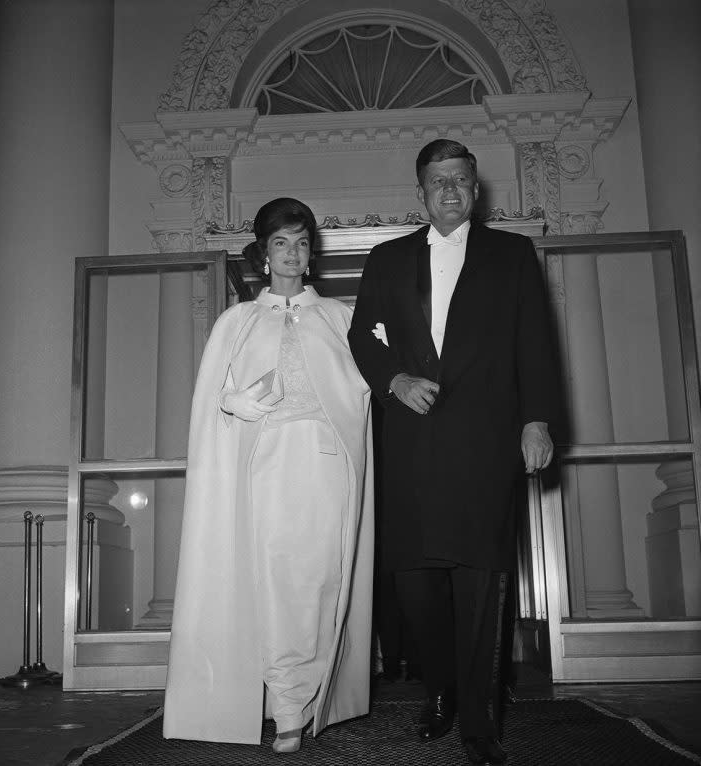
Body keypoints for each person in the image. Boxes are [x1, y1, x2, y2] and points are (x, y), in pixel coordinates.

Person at [348, 140, 560, 765]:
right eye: (437, 181)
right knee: (415, 581)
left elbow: (536, 344)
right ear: (421, 192)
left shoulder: (512, 253)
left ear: (475, 189)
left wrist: (538, 420)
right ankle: (439, 689)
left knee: (482, 581)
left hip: (486, 442)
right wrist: (393, 380)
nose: (449, 191)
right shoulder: (387, 259)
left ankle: (478, 720)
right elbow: (363, 334)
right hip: (412, 442)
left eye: (460, 180)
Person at [163, 197, 374, 753]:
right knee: (276, 583)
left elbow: (363, 392)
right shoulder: (237, 321)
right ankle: (286, 709)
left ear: (312, 253)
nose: (292, 253)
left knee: (322, 582)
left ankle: (311, 696)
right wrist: (238, 400)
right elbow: (213, 399)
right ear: (263, 253)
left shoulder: (340, 317)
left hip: (328, 465)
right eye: (281, 242)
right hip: (267, 467)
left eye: (302, 242)